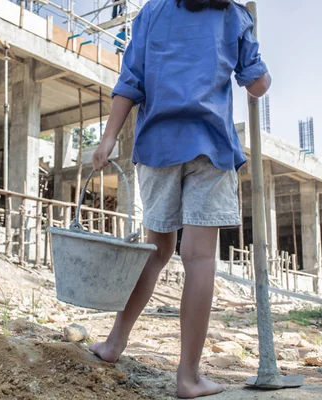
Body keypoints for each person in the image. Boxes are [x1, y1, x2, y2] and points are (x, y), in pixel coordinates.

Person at [90, 0, 271, 398]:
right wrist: (253, 56)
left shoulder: (152, 13)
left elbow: (130, 82)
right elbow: (256, 83)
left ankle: (114, 344)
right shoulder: (235, 16)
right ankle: (188, 377)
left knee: (157, 251)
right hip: (212, 147)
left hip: (158, 146)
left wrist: (107, 139)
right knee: (200, 258)